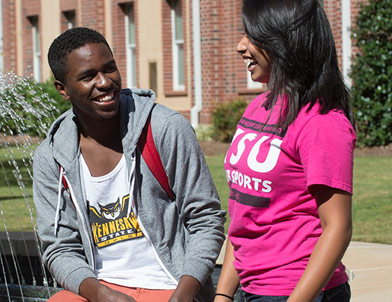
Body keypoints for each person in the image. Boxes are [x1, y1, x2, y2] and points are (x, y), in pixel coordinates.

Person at [33, 27, 226, 302]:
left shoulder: (164, 129)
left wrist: (182, 295)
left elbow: (205, 220)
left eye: (109, 69)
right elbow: (59, 248)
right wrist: (99, 293)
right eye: (88, 76)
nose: (104, 82)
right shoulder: (52, 156)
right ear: (62, 89)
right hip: (102, 288)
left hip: (171, 285)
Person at [215, 1, 355, 301]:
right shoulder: (258, 107)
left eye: (252, 36)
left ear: (283, 40)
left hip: (297, 290)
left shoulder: (321, 121)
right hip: (249, 288)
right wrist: (224, 294)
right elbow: (243, 212)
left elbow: (338, 227)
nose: (241, 46)